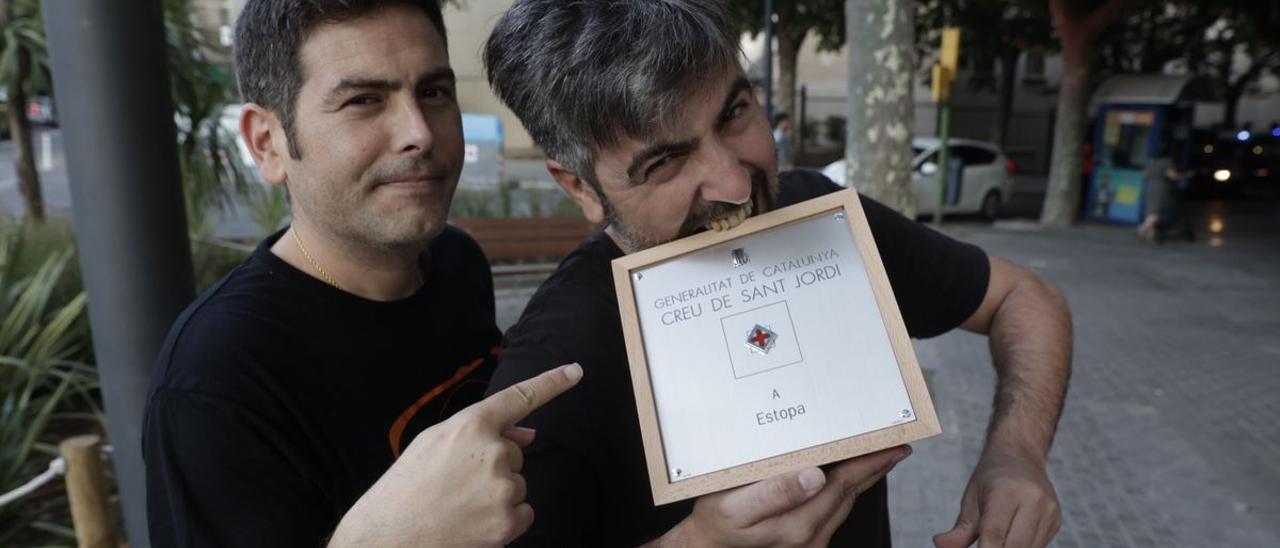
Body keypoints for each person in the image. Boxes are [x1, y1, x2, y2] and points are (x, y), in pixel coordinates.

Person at [483, 1, 1072, 547]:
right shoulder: (555, 361)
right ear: (580, 188)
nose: (738, 185)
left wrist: (1015, 453)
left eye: (734, 114)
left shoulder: (822, 216)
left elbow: (1026, 296)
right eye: (665, 161)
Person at [142, 1, 583, 546]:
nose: (419, 131)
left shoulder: (453, 260)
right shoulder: (217, 379)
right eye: (363, 100)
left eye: (434, 92)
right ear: (267, 142)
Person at [1138, 143, 1193, 243]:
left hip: (1149, 186)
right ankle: (1142, 228)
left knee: (1150, 210)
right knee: (1156, 212)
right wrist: (1186, 175)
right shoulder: (1167, 162)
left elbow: (1144, 174)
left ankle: (1150, 236)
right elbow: (1173, 176)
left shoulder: (1150, 161)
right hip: (1160, 188)